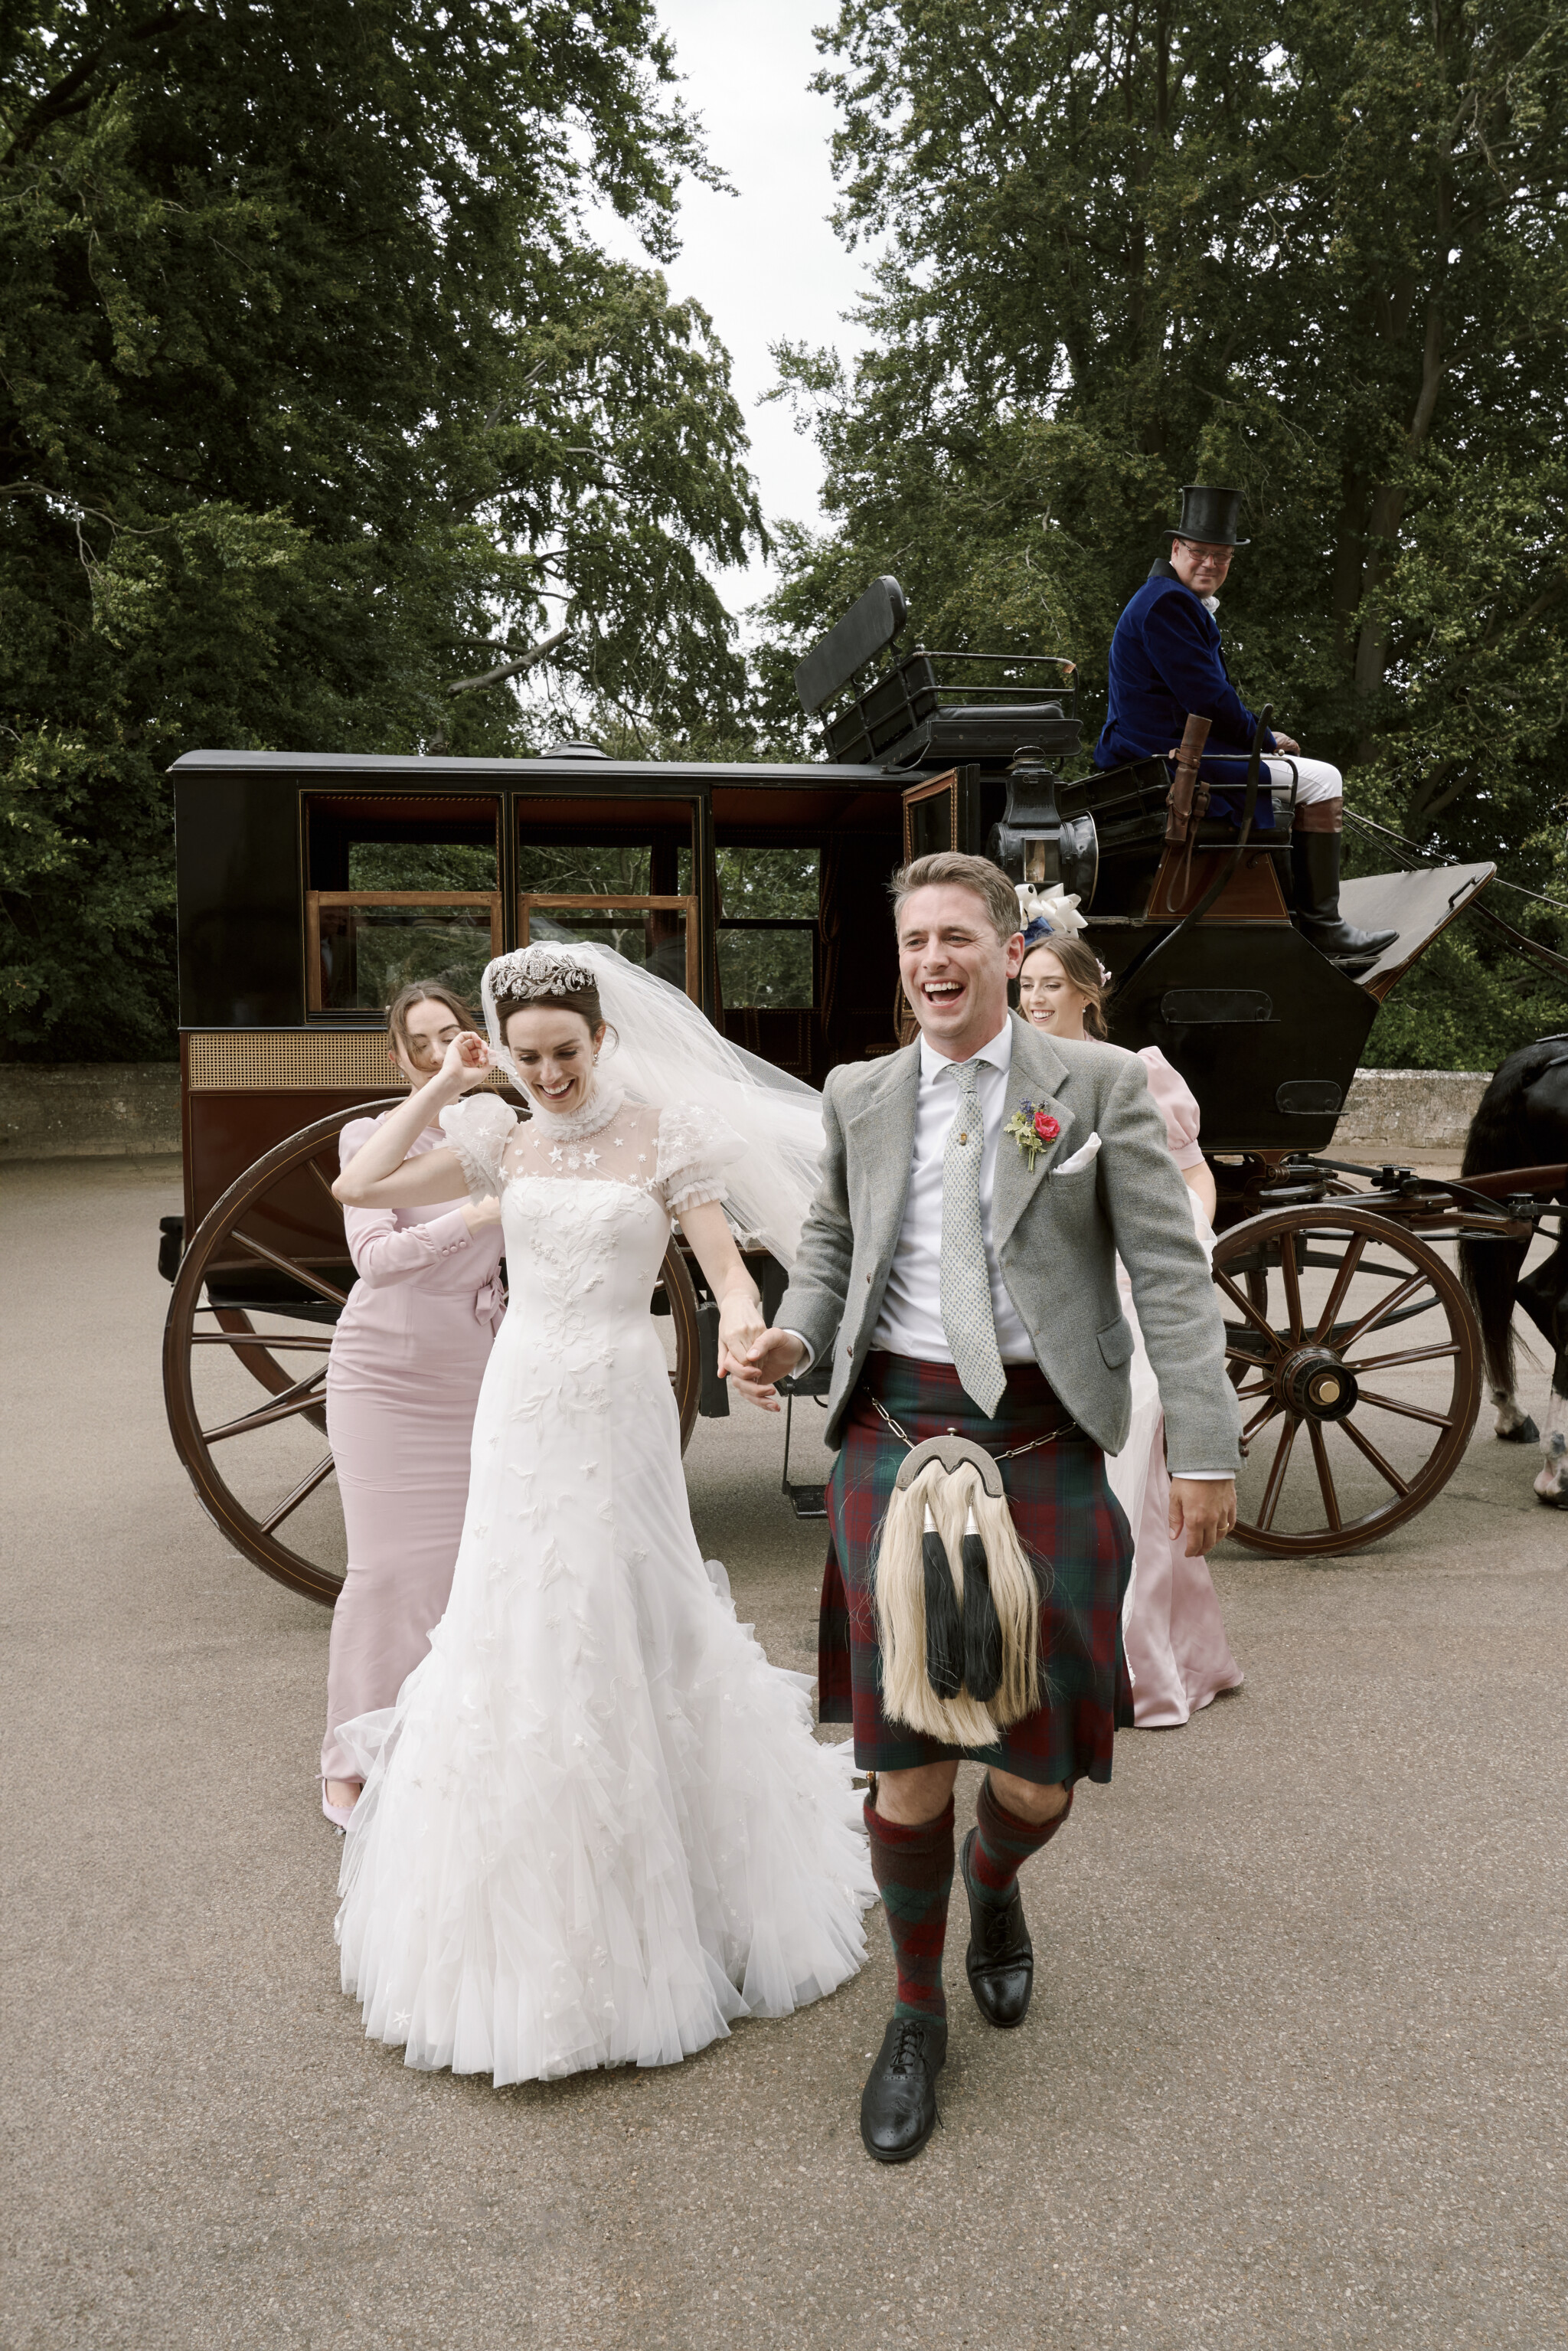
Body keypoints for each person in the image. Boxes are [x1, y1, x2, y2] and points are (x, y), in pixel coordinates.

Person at [733, 851, 1242, 2163]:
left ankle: (995, 1878)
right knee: (906, 1766)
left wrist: (1202, 1447)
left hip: (1043, 1437)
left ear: (1011, 952)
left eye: (957, 937)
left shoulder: (1099, 1085)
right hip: (892, 1430)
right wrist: (795, 1336)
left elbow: (1169, 1275)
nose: (933, 962)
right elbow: (831, 1249)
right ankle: (914, 2012)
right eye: (915, 942)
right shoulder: (858, 1092)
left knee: (1038, 1770)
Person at [328, 943, 874, 2085]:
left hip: (620, 1394)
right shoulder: (497, 1133)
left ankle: (677, 1880)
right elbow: (360, 1186)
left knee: (628, 1594)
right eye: (525, 1056)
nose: (547, 1075)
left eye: (564, 1053)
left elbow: (727, 1270)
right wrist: (448, 1083)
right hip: (522, 1397)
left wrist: (744, 1331)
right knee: (518, 1606)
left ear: (602, 1038)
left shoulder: (666, 1136)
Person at [1017, 923, 1244, 1728]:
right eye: (1026, 985)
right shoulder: (1017, 1079)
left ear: (1087, 991)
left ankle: (1135, 1666)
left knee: (1132, 1468)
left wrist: (1189, 1237)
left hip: (1132, 1294)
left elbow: (1192, 1174)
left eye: (1050, 984)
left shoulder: (1138, 1073)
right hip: (1062, 1299)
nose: (1035, 999)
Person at [322, 985, 506, 1829]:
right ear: (398, 1056)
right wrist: (474, 1215)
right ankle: (349, 1757)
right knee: (385, 1572)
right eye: (419, 1041)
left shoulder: (500, 1132)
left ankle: (439, 1740)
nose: (437, 1050)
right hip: (385, 1373)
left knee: (465, 1568)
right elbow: (378, 1259)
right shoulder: (369, 1136)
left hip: (478, 1369)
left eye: (450, 1034)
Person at [1093, 482, 1396, 971]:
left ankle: (1294, 917)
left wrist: (1257, 740)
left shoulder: (1163, 598)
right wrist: (1263, 739)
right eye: (1200, 553)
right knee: (1324, 780)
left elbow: (1204, 698)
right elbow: (1209, 699)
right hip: (1168, 757)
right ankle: (1324, 927)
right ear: (1176, 550)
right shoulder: (1168, 605)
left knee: (1294, 783)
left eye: (1222, 556)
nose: (1211, 564)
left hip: (1161, 749)